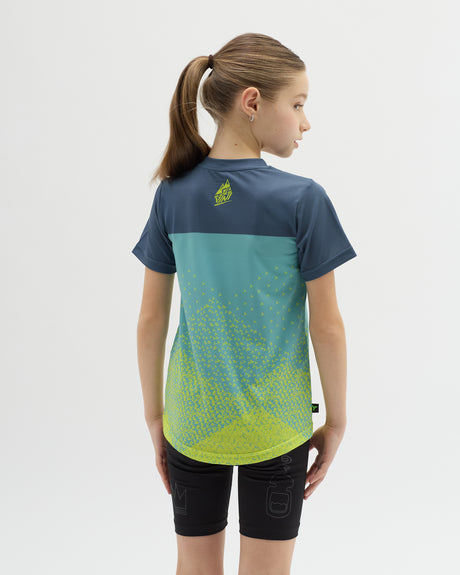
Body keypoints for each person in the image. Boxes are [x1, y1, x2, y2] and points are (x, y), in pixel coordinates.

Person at [132, 32, 357, 575]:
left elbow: (150, 321)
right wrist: (336, 420)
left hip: (191, 421)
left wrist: (156, 417)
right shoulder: (303, 199)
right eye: (297, 104)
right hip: (276, 427)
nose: (305, 122)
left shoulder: (173, 194)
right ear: (252, 101)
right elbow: (327, 326)